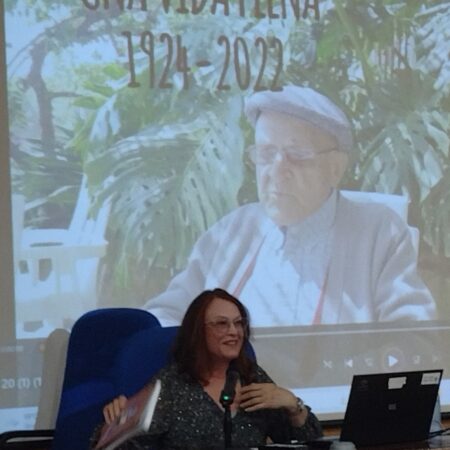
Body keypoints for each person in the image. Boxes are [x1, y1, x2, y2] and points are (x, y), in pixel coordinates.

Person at [145, 85, 436, 327]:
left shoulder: (379, 233)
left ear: (335, 168)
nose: (277, 170)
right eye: (266, 153)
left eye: (297, 154)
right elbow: (167, 313)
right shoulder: (232, 231)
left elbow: (412, 332)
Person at [91, 289, 323, 449]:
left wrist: (294, 406)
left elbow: (309, 442)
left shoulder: (251, 376)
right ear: (198, 332)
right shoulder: (172, 385)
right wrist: (118, 426)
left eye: (239, 323)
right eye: (222, 324)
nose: (234, 331)